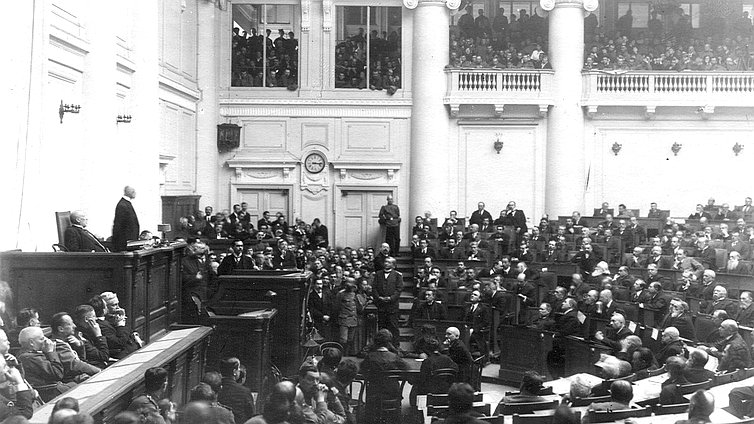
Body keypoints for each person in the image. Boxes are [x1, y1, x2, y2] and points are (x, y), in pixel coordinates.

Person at [359, 329, 405, 424]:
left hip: (374, 393)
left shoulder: (370, 357)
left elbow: (361, 371)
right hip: (392, 392)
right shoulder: (395, 357)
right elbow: (407, 371)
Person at [409, 337, 458, 406]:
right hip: (446, 387)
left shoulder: (427, 361)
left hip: (430, 390)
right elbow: (455, 370)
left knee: (415, 385)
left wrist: (411, 380)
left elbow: (422, 378)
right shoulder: (447, 359)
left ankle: (415, 408)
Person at [371, 257, 402, 345]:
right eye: (385, 262)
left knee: (393, 326)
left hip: (392, 306)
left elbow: (399, 289)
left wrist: (391, 298)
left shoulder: (397, 275)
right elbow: (374, 288)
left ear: (393, 265)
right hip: (381, 305)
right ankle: (381, 345)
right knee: (381, 326)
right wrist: (378, 297)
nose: (386, 263)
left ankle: (395, 346)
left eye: (388, 262)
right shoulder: (378, 274)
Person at [217, 357, 254, 424]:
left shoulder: (215, 387)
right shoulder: (244, 391)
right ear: (234, 372)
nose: (239, 371)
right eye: (238, 368)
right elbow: (250, 415)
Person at [112, 186, 140, 252]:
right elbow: (119, 226)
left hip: (130, 243)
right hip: (125, 245)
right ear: (129, 192)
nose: (135, 193)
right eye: (133, 191)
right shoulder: (123, 205)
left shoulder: (126, 204)